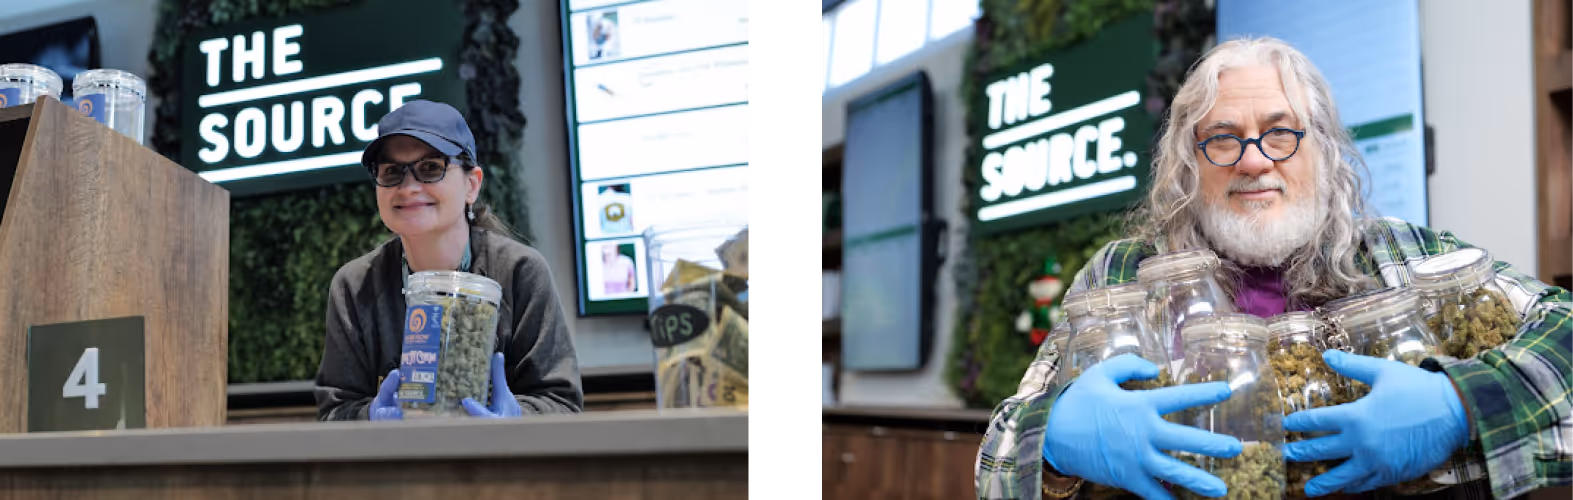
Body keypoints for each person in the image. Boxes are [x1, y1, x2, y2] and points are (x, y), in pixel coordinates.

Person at [974, 37, 1573, 500]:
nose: (1254, 160)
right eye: (1223, 139)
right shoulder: (1123, 277)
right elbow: (993, 461)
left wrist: (1461, 406)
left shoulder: (1409, 260)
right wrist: (1052, 444)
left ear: (1324, 150)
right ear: (1189, 164)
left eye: (1280, 133)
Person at [314, 100, 584, 421]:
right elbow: (334, 410)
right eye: (392, 171)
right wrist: (370, 416)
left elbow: (561, 403)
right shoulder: (354, 287)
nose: (409, 187)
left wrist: (517, 419)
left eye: (431, 167)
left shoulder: (520, 273)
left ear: (472, 184)